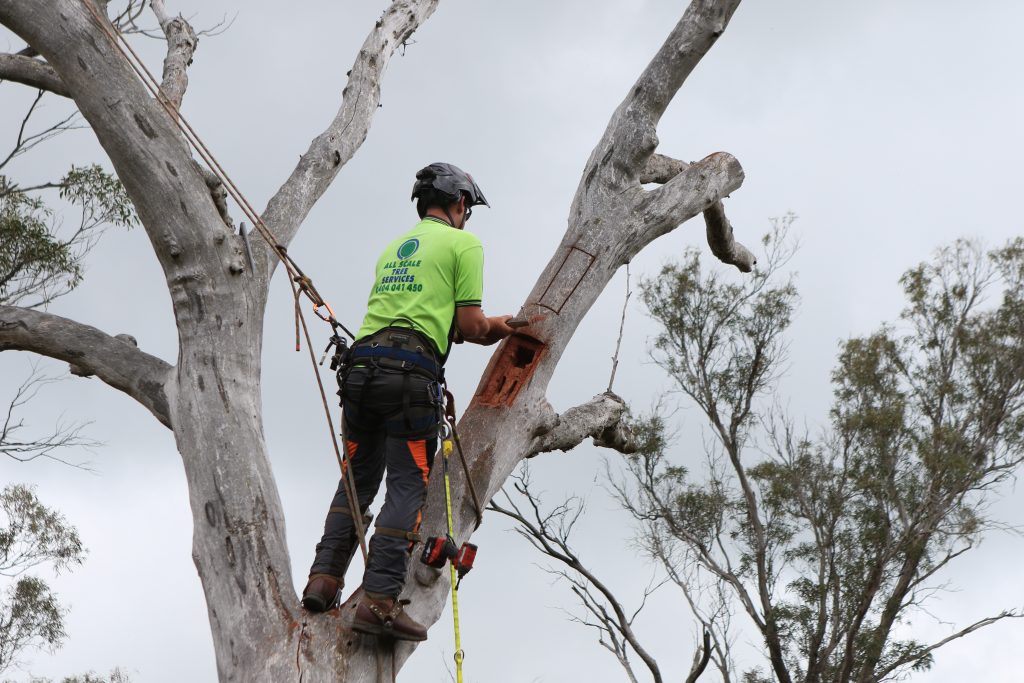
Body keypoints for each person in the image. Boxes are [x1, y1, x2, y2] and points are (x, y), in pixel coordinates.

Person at [301, 162, 514, 641]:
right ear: (460, 204)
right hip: (410, 375)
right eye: (467, 209)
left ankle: (323, 579)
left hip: (361, 368)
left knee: (357, 479)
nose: (467, 217)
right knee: (406, 484)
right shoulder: (465, 243)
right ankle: (378, 603)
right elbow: (470, 326)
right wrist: (503, 325)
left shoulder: (395, 247)